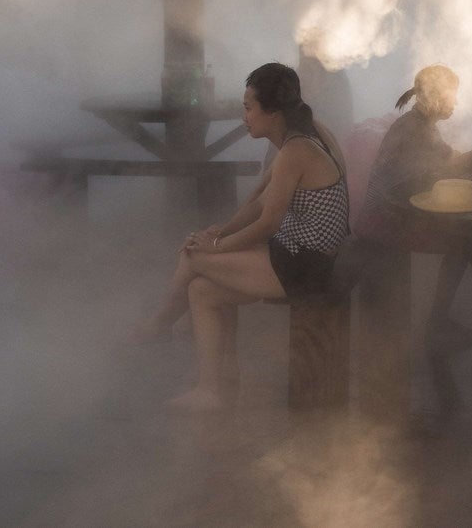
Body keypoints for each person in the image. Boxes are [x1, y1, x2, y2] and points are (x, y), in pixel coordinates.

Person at [134, 62, 350, 410]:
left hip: (307, 266)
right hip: (297, 251)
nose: (244, 116)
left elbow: (267, 222)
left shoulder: (296, 151)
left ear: (273, 111)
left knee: (193, 257)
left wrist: (215, 248)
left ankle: (160, 325)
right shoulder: (303, 134)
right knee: (201, 290)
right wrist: (222, 231)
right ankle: (214, 387)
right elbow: (255, 203)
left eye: (249, 108)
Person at [359, 65, 472, 339]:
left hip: (395, 213)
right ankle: (438, 323)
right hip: (385, 219)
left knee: (469, 239)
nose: (455, 102)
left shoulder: (420, 126)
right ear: (434, 97)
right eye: (452, 96)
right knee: (462, 243)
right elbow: (452, 169)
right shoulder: (415, 129)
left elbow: (450, 162)